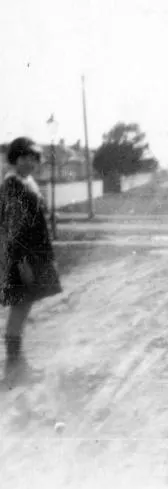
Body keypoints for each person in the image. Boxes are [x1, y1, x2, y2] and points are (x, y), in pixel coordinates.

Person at [0, 137, 63, 385]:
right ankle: (14, 369)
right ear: (15, 159)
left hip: (29, 255)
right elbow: (11, 228)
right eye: (25, 157)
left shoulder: (27, 183)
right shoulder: (13, 185)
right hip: (20, 257)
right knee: (19, 311)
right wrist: (22, 262)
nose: (30, 163)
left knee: (23, 310)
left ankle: (17, 366)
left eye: (34, 158)